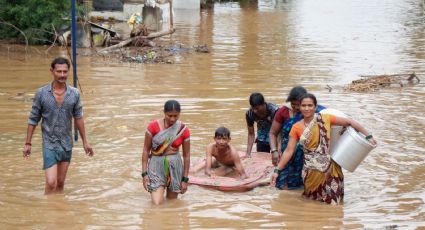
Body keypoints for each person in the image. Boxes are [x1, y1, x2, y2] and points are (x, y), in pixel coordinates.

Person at [270, 93, 377, 204]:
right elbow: (289, 151)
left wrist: (368, 136)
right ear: (299, 107)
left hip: (330, 170)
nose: (307, 108)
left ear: (315, 107)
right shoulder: (296, 127)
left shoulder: (326, 119)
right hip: (311, 173)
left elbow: (349, 122)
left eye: (310, 105)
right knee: (312, 203)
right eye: (304, 105)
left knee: (334, 203)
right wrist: (277, 170)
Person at [22, 57, 94, 195]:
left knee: (60, 183)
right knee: (51, 182)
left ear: (68, 72)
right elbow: (33, 119)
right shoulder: (42, 93)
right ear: (52, 71)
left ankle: (58, 211)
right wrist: (28, 143)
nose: (62, 75)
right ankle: (48, 213)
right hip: (49, 143)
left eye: (65, 72)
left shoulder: (74, 94)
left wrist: (85, 142)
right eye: (59, 71)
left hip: (66, 143)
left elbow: (78, 118)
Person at [269, 86, 325, 189]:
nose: (295, 108)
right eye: (293, 104)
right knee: (282, 185)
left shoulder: (316, 110)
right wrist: (274, 151)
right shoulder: (283, 111)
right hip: (287, 154)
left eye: (298, 105)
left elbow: (334, 120)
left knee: (307, 185)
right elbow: (272, 133)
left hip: (307, 157)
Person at [141, 100, 190, 205]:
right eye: (169, 115)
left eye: (176, 116)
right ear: (164, 112)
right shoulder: (153, 127)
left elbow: (186, 156)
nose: (173, 119)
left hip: (175, 167)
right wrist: (144, 174)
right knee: (157, 203)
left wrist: (185, 179)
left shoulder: (183, 129)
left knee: (172, 203)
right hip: (155, 166)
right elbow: (145, 150)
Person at [246, 92, 279, 157]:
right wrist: (248, 153)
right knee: (261, 158)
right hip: (262, 138)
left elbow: (279, 132)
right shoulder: (250, 113)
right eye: (253, 108)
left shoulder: (275, 111)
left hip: (275, 136)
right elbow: (251, 134)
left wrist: (276, 150)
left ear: (264, 104)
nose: (255, 111)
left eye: (257, 108)